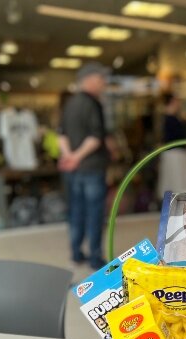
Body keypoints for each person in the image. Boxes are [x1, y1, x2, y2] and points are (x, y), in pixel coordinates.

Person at [58, 62, 111, 269]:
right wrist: (78, 157)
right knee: (94, 213)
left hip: (73, 170)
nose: (103, 83)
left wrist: (69, 156)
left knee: (75, 211)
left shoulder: (69, 103)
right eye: (101, 79)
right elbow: (96, 137)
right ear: (89, 79)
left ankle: (76, 252)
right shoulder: (93, 104)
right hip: (91, 167)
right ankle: (96, 257)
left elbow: (60, 134)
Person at [155, 92, 186, 200]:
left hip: (177, 154)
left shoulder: (174, 118)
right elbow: (173, 137)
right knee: (177, 182)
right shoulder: (168, 119)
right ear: (172, 101)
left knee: (177, 182)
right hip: (175, 155)